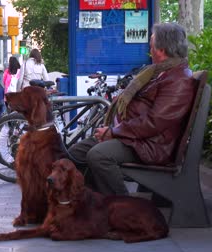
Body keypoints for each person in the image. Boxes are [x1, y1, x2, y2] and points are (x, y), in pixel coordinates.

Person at [68, 23, 196, 196]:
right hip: (137, 138)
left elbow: (154, 122)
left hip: (150, 145)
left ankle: (123, 208)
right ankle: (90, 203)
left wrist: (115, 132)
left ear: (162, 49)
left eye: (151, 46)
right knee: (74, 154)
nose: (150, 50)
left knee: (98, 155)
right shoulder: (160, 72)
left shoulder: (178, 80)